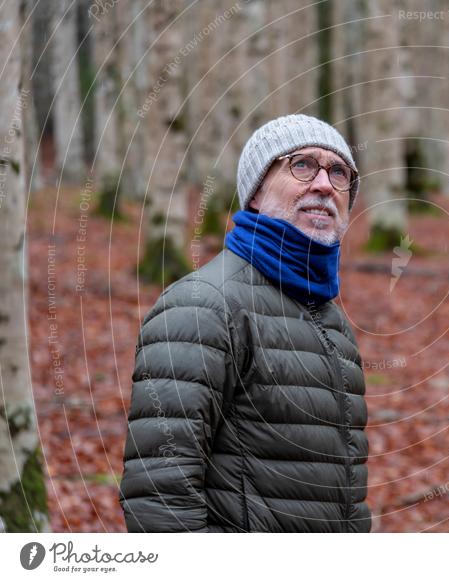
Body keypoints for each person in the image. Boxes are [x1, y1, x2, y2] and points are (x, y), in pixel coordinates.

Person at [118, 114, 371, 532]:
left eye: (339, 171)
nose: (325, 184)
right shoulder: (201, 307)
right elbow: (160, 498)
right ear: (255, 193)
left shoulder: (333, 324)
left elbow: (347, 498)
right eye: (302, 165)